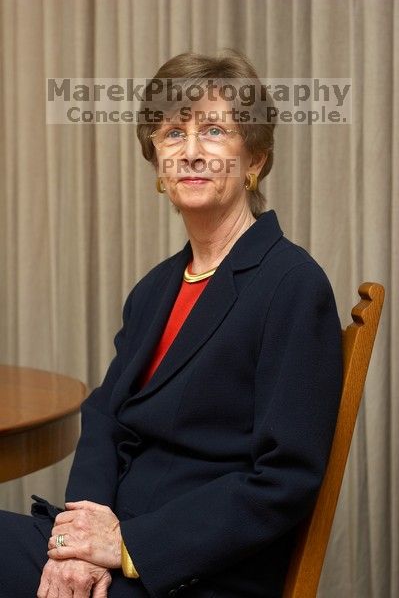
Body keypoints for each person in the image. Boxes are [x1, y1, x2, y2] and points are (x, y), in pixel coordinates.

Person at [0, 50, 343, 598]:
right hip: (111, 541)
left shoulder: (293, 284)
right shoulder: (156, 287)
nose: (191, 152)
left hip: (193, 567)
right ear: (157, 163)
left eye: (212, 130)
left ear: (253, 159)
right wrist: (83, 540)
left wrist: (130, 547)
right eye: (172, 133)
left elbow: (284, 480)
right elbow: (106, 416)